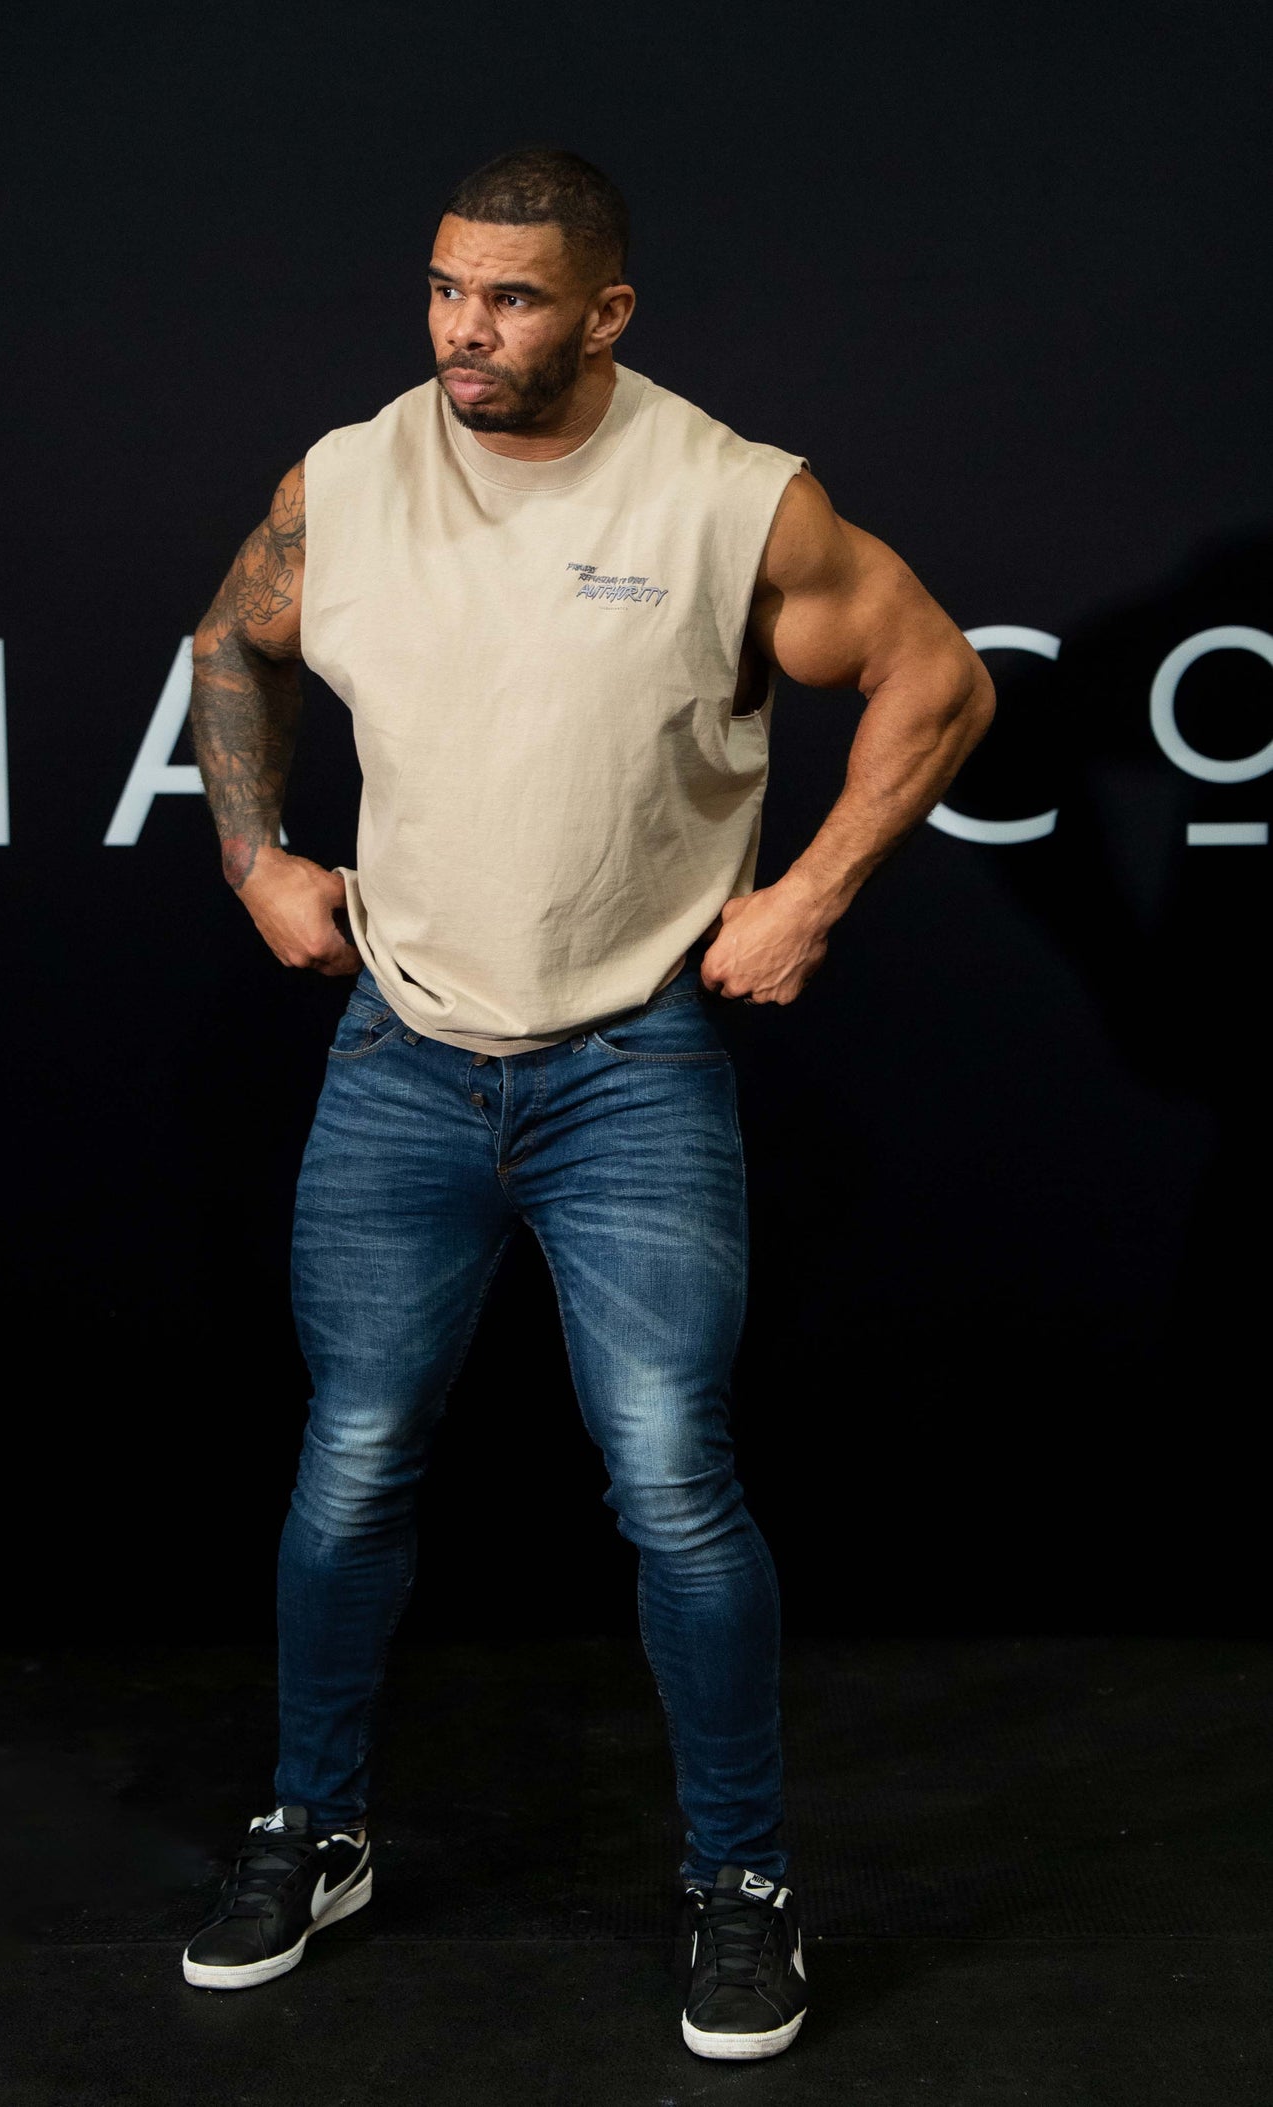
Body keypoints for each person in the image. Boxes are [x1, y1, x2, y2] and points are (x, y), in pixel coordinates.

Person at [180, 147, 994, 2061]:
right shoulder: (351, 474)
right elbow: (234, 643)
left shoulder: (725, 496)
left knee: (672, 1488)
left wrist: (800, 900)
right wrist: (253, 859)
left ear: (606, 314)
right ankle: (313, 1826)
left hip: (629, 1067)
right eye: (451, 289)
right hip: (400, 1054)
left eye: (518, 298)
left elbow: (934, 681)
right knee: (356, 1461)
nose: (470, 328)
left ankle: (741, 1883)